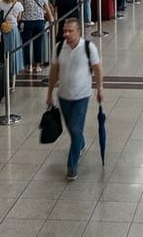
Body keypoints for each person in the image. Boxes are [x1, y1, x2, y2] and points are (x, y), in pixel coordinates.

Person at [45, 18, 103, 181]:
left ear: (79, 31)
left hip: (82, 96)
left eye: (70, 31)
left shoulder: (88, 48)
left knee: (75, 129)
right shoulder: (59, 48)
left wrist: (100, 88)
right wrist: (49, 93)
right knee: (72, 129)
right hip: (64, 96)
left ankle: (72, 166)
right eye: (65, 31)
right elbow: (54, 71)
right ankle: (81, 142)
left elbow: (97, 68)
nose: (67, 34)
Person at [19, 0, 54, 73]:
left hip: (27, 22)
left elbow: (21, 8)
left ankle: (28, 66)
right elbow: (46, 8)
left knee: (26, 44)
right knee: (38, 43)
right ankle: (37, 66)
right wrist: (51, 18)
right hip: (39, 21)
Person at [0, 0, 25, 76]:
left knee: (3, 49)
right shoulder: (18, 4)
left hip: (2, 29)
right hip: (13, 29)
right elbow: (19, 18)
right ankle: (14, 69)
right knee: (14, 50)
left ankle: (3, 69)